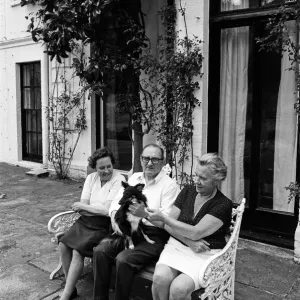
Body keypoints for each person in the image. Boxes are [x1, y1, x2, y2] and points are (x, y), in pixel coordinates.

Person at [93, 143, 179, 300]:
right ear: (141, 159)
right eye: (146, 158)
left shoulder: (170, 186)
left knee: (123, 260)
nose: (150, 163)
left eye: (155, 159)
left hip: (153, 234)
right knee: (100, 251)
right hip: (126, 228)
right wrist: (114, 218)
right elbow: (116, 202)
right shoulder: (134, 178)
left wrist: (144, 214)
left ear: (162, 161)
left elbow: (167, 221)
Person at [147, 153, 233, 300]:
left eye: (203, 178)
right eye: (196, 175)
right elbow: (167, 225)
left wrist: (164, 218)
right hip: (177, 246)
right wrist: (188, 242)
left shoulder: (223, 204)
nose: (197, 181)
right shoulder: (187, 191)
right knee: (160, 279)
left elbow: (195, 233)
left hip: (204, 253)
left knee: (179, 289)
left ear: (217, 180)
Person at [58, 147, 125, 300]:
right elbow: (83, 208)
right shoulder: (91, 178)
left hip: (105, 225)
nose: (106, 170)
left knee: (77, 251)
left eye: (109, 166)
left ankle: (66, 295)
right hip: (85, 221)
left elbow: (107, 211)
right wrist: (90, 208)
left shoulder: (119, 179)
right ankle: (71, 287)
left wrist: (85, 207)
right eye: (102, 167)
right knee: (63, 244)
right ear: (95, 167)